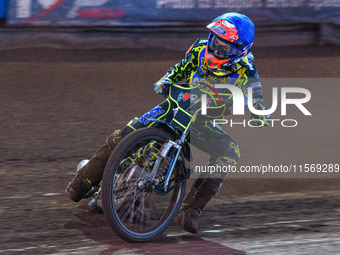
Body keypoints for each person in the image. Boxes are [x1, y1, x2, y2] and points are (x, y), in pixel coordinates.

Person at [66, 12, 270, 234]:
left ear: (241, 51)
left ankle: (189, 211)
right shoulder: (200, 49)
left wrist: (260, 114)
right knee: (126, 133)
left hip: (201, 121)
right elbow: (182, 67)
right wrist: (167, 79)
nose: (216, 49)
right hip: (176, 106)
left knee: (229, 152)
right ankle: (82, 182)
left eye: (224, 48)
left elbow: (257, 98)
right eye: (214, 41)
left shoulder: (247, 72)